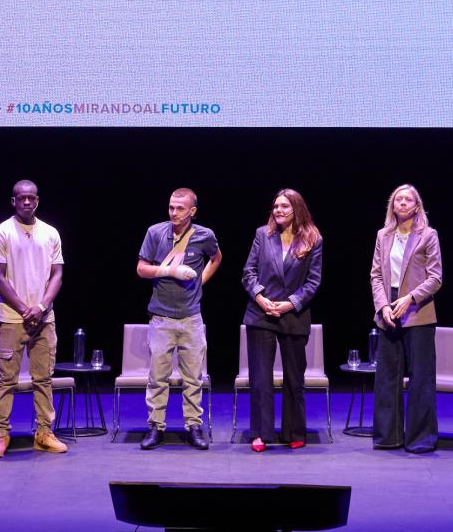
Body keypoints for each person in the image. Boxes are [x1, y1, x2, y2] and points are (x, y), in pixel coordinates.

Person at [0, 180, 69, 457]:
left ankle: (44, 432)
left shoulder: (50, 233)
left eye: (31, 198)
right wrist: (24, 308)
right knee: (6, 379)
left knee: (43, 378)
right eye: (21, 198)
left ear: (37, 200)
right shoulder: (2, 232)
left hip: (44, 318)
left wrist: (42, 306)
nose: (26, 203)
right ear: (13, 201)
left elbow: (57, 274)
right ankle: (0, 433)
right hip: (11, 317)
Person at [135, 188, 223, 450]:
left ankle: (193, 426)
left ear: (192, 211)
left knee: (193, 376)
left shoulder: (204, 235)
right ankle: (155, 426)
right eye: (171, 207)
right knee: (157, 376)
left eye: (180, 208)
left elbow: (217, 258)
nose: (174, 212)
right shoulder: (155, 232)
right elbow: (141, 269)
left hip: (191, 318)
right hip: (161, 316)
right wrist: (170, 270)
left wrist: (200, 283)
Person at [240, 188, 324, 451]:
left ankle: (294, 430)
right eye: (276, 206)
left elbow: (313, 281)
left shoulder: (313, 239)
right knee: (261, 378)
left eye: (284, 206)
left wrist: (289, 304)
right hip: (261, 312)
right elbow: (248, 272)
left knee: (294, 378)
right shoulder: (262, 235)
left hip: (294, 314)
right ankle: (261, 433)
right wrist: (261, 298)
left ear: (296, 209)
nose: (278, 210)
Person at [369, 183, 443, 453]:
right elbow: (376, 275)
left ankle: (420, 439)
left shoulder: (428, 235)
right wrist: (382, 307)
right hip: (388, 311)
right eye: (398, 199)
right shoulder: (383, 235)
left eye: (407, 199)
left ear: (416, 206)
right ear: (393, 205)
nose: (402, 202)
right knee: (387, 376)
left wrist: (410, 298)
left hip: (418, 311)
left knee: (421, 378)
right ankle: (388, 437)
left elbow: (435, 278)